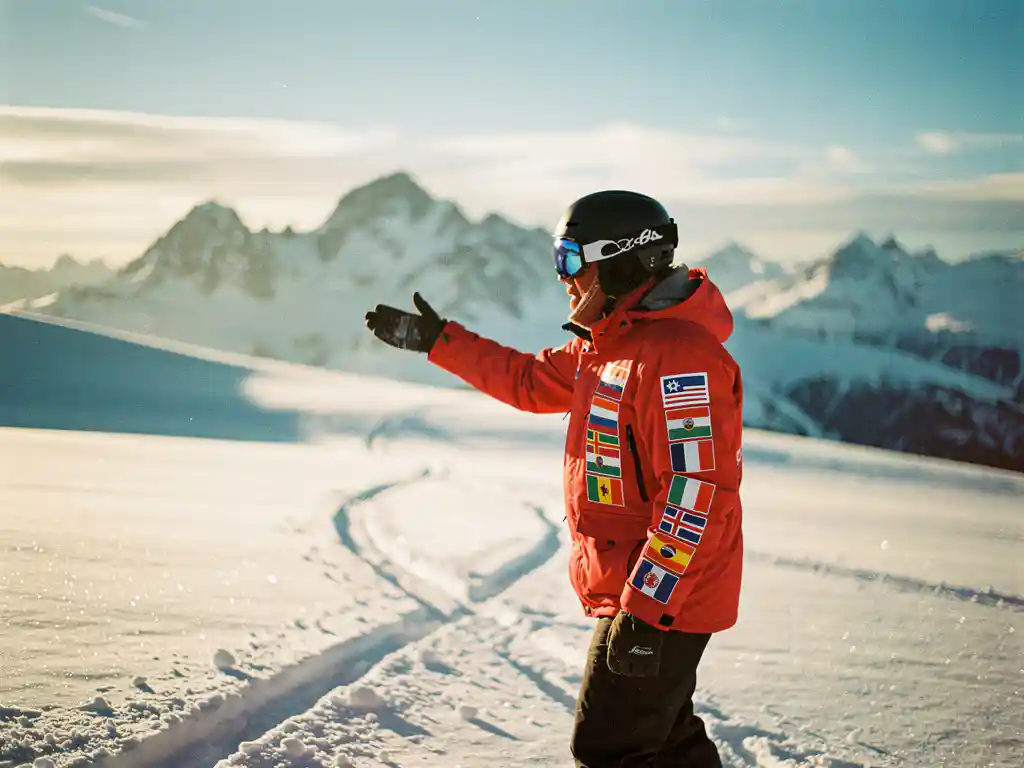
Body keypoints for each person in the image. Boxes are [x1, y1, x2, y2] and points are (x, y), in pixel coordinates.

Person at [365, 190, 743, 767]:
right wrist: (440, 342)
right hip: (643, 588)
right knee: (665, 742)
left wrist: (644, 611)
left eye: (570, 259)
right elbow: (526, 380)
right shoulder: (609, 346)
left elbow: (696, 498)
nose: (561, 277)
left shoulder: (679, 359)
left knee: (609, 748)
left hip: (667, 594)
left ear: (620, 259)